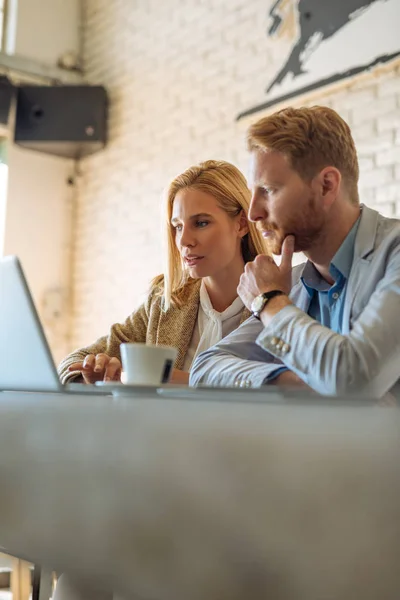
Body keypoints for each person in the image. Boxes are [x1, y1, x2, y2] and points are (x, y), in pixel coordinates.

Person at [190, 106, 400, 398]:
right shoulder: (295, 282)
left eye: (269, 190)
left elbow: (353, 377)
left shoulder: (394, 257)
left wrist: (269, 302)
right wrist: (298, 382)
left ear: (327, 186)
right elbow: (204, 369)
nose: (252, 213)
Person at [58, 159, 266, 386]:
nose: (184, 241)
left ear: (241, 225)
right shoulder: (164, 301)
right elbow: (71, 363)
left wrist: (175, 381)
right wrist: (91, 375)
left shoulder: (281, 298)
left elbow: (283, 385)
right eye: (178, 226)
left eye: (201, 223)